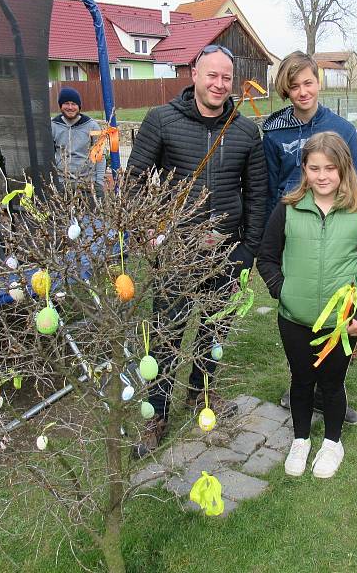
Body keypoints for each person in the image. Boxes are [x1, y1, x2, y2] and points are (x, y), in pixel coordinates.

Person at [127, 45, 267, 457]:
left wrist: (249, 248)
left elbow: (257, 194)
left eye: (226, 77)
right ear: (193, 73)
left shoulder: (244, 130)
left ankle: (202, 394)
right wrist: (150, 233)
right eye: (212, 75)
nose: (220, 84)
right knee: (168, 334)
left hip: (224, 252)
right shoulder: (162, 121)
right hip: (175, 253)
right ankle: (156, 415)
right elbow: (134, 182)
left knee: (214, 331)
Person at [258, 131, 357, 479]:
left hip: (341, 325)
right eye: (315, 168)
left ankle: (332, 441)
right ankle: (300, 439)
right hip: (294, 320)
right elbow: (266, 258)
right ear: (304, 170)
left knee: (332, 384)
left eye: (330, 168)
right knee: (300, 381)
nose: (322, 176)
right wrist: (284, 291)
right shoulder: (288, 210)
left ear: (344, 169)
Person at [262, 50, 357, 424]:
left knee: (337, 310)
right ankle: (302, 387)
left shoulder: (343, 130)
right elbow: (270, 186)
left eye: (308, 82)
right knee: (299, 311)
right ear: (285, 90)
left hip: (336, 229)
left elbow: (356, 186)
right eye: (294, 86)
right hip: (295, 229)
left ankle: (330, 389)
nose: (302, 91)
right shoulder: (274, 131)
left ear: (318, 82)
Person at [50, 87, 106, 194]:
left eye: (74, 104)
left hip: (87, 182)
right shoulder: (53, 126)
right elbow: (48, 155)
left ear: (79, 106)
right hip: (62, 182)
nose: (70, 107)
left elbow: (100, 156)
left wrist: (99, 183)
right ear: (60, 106)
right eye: (66, 103)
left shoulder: (93, 126)